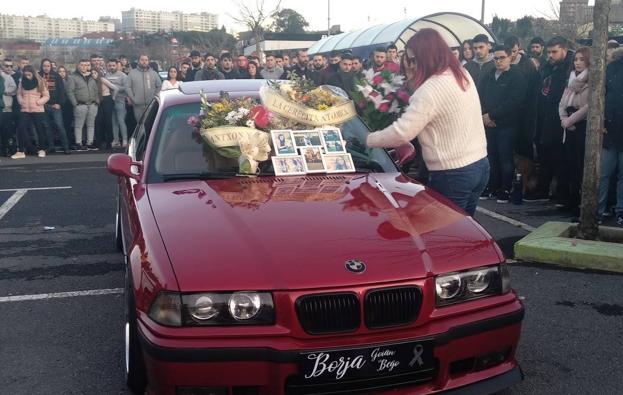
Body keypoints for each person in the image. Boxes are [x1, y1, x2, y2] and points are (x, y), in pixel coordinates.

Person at [366, 28, 489, 216]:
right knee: (465, 232)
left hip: (452, 173)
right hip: (479, 165)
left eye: (414, 60)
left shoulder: (430, 89)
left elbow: (402, 133)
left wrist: (367, 139)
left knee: (446, 236)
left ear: (426, 57)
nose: (412, 65)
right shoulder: (461, 74)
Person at [525, 36, 574, 204]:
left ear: (564, 50)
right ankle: (543, 189)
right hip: (544, 117)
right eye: (549, 52)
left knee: (561, 159)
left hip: (560, 119)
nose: (550, 55)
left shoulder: (569, 68)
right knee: (545, 156)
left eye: (554, 52)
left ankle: (562, 193)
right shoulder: (547, 67)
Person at [478, 44, 526, 203]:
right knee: (490, 157)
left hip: (507, 125)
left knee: (505, 157)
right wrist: (485, 116)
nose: (498, 61)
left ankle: (505, 189)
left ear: (510, 57)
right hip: (488, 124)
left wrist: (493, 115)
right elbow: (481, 96)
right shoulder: (489, 75)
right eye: (496, 58)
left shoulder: (516, 76)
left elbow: (514, 101)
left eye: (502, 58)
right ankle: (491, 186)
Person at [558, 47, 589, 216]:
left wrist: (570, 120)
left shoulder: (591, 80)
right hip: (568, 126)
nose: (578, 62)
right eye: (576, 59)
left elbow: (587, 107)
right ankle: (571, 199)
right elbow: (562, 102)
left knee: (580, 165)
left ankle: (582, 204)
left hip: (581, 126)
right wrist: (564, 119)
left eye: (582, 59)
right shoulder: (570, 80)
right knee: (570, 164)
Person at [600, 47, 623, 226]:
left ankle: (621, 211)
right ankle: (598, 211)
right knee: (604, 173)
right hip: (609, 128)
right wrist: (602, 121)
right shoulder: (612, 67)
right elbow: (601, 95)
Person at [12, 65, 51, 159]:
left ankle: (42, 149)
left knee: (39, 129)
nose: (27, 76)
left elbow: (46, 96)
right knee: (21, 128)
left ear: (33, 74)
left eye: (29, 75)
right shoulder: (22, 82)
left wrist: (38, 102)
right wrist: (21, 101)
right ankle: (21, 151)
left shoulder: (40, 81)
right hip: (25, 109)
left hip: (37, 109)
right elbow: (19, 94)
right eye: (25, 75)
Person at [66, 59, 99, 150]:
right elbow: (70, 92)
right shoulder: (73, 77)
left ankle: (90, 143)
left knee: (91, 125)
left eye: (86, 65)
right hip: (80, 105)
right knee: (78, 125)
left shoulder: (91, 77)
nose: (84, 67)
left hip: (92, 105)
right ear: (78, 66)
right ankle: (78, 143)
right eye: (82, 65)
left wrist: (97, 101)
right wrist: (75, 104)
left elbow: (96, 90)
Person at [39, 58, 70, 154]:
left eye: (48, 66)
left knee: (59, 126)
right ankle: (51, 147)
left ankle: (66, 147)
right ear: (42, 66)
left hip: (55, 106)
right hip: (43, 106)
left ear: (51, 66)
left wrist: (60, 103)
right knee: (47, 127)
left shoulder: (56, 76)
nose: (46, 68)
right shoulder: (39, 76)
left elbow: (62, 91)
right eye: (44, 66)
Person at [127, 54, 161, 122]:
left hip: (151, 105)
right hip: (138, 105)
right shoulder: (132, 73)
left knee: (150, 124)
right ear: (138, 61)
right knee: (140, 125)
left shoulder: (153, 73)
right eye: (142, 60)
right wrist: (133, 98)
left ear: (148, 61)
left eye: (146, 60)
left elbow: (159, 85)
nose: (144, 62)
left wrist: (154, 96)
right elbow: (128, 87)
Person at [107, 60, 128, 148]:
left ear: (117, 66)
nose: (112, 67)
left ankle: (125, 140)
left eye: (113, 65)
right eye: (110, 65)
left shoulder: (123, 75)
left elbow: (127, 88)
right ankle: (116, 140)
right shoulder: (106, 76)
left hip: (120, 100)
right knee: (114, 122)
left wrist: (116, 88)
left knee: (121, 121)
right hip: (110, 101)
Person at [1, 58, 17, 157]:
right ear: (2, 66)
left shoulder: (10, 76)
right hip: (3, 107)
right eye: (6, 65)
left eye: (11, 66)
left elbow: (14, 89)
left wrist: (6, 91)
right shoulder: (4, 76)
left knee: (7, 131)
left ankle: (7, 149)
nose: (9, 68)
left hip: (7, 108)